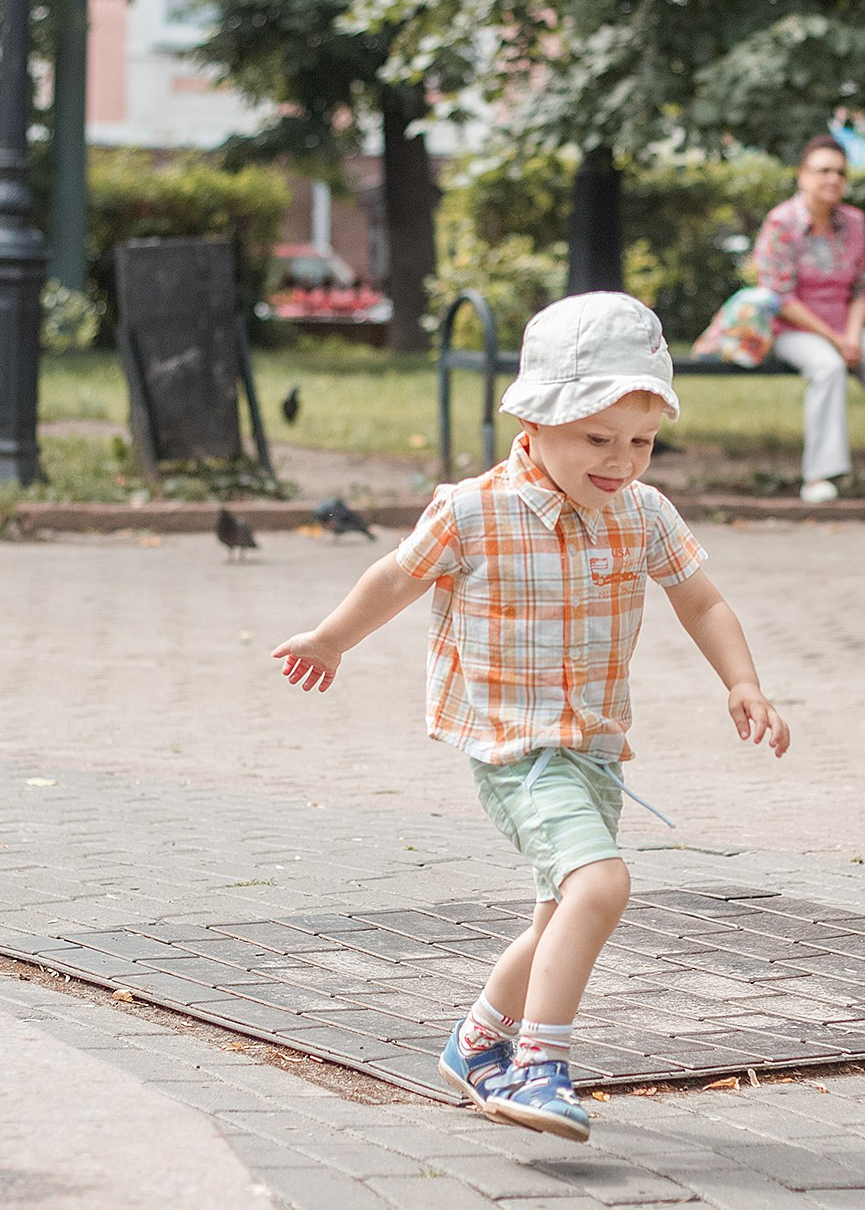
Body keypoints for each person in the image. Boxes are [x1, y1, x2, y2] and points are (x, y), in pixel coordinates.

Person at [271, 291, 791, 1143]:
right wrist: (331, 640)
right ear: (534, 419)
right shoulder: (472, 510)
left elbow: (702, 601)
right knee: (602, 884)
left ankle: (478, 1041)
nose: (621, 461)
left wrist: (744, 682)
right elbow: (396, 577)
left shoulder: (643, 512)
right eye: (598, 438)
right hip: (515, 749)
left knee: (559, 915)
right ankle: (538, 1066)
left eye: (641, 442)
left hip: (596, 751)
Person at [754, 134, 865, 505]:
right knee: (829, 367)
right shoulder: (781, 223)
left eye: (839, 172)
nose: (832, 179)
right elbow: (780, 298)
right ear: (802, 175)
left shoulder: (855, 222)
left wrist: (851, 336)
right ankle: (818, 477)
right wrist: (837, 341)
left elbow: (860, 289)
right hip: (793, 329)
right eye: (823, 171)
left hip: (846, 326)